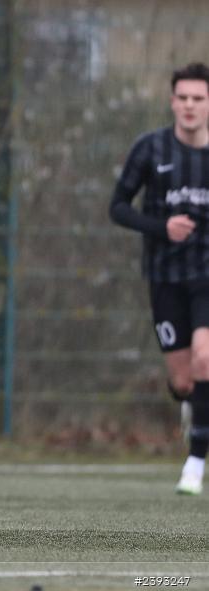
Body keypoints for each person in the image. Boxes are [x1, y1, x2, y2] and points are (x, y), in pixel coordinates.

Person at [109, 62, 209, 495]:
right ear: (172, 101)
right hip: (165, 276)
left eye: (198, 98)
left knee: (206, 357)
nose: (189, 105)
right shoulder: (150, 149)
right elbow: (118, 207)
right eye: (183, 98)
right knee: (184, 380)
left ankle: (195, 462)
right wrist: (161, 227)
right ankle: (194, 407)